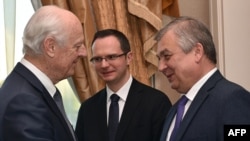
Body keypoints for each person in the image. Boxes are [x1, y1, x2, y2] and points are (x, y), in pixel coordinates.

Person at [155, 16, 250, 141]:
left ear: (197, 52)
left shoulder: (232, 99)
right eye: (159, 59)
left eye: (167, 56)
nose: (160, 67)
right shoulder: (175, 110)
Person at [0, 5, 86, 141]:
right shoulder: (24, 101)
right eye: (77, 46)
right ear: (50, 46)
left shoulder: (30, 89)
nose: (84, 53)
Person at [75, 29, 172, 141]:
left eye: (111, 57)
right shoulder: (87, 109)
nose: (104, 65)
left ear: (129, 58)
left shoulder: (156, 102)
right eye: (97, 59)